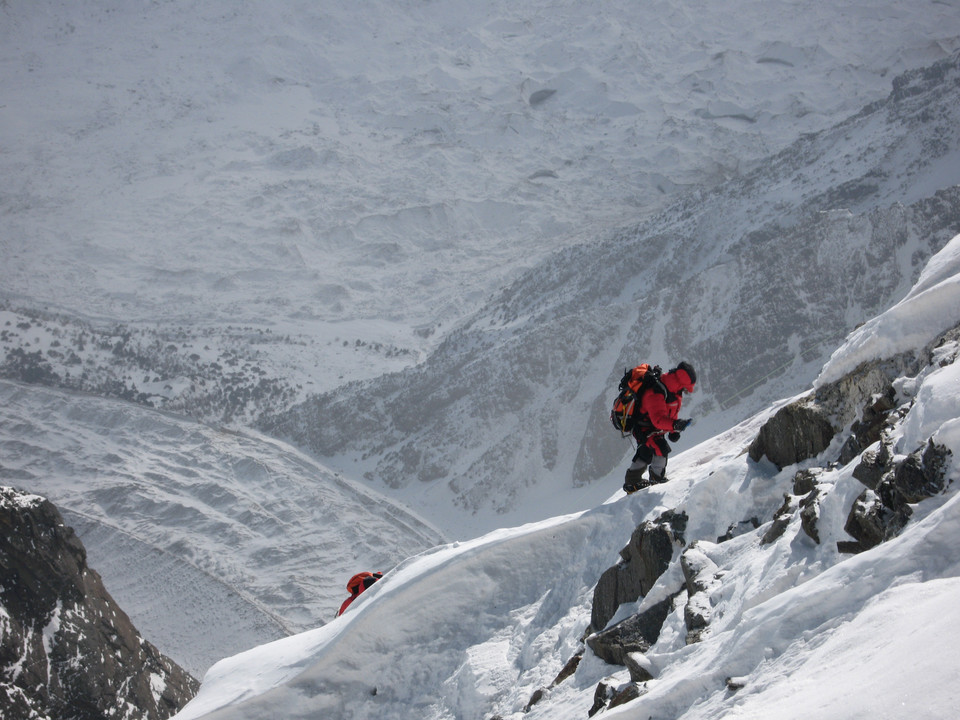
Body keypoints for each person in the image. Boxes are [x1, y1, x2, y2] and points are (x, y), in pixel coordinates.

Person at [622, 361, 697, 494]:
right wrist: (674, 425)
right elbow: (658, 419)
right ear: (680, 383)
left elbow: (669, 413)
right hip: (643, 427)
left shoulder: (673, 392)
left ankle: (631, 481)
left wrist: (673, 429)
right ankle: (657, 480)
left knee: (646, 452)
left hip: (652, 428)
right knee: (660, 448)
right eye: (686, 388)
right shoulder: (656, 392)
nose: (685, 391)